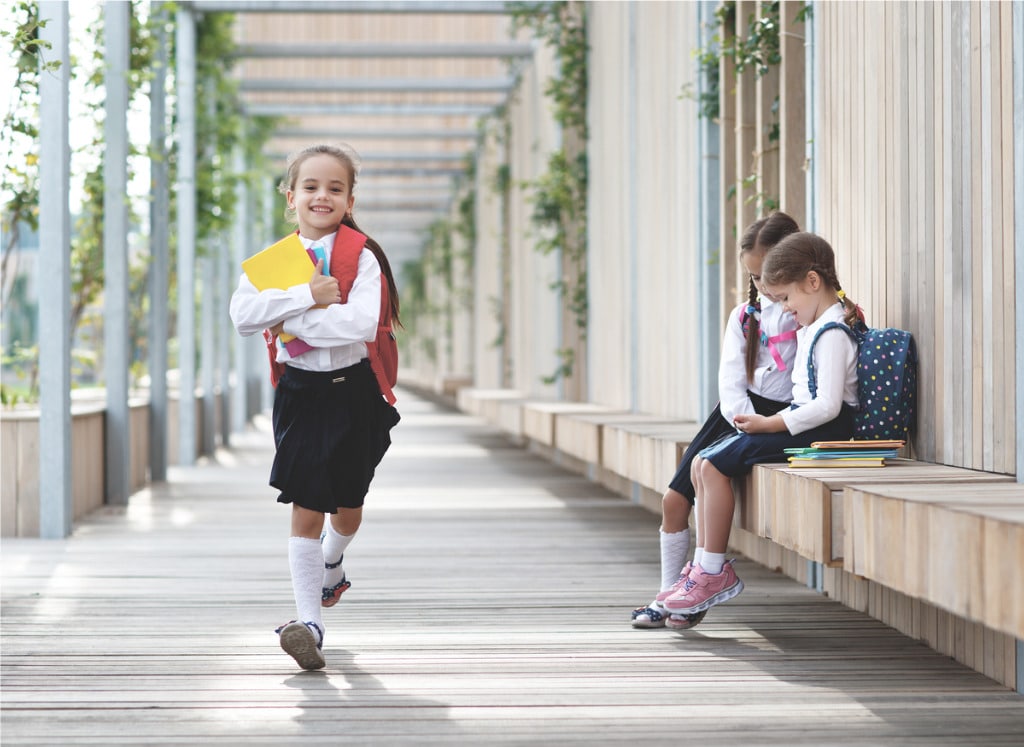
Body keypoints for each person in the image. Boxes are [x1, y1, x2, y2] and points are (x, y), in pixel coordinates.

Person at [229, 143, 401, 670]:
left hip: (355, 393)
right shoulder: (274, 263)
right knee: (306, 502)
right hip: (300, 391)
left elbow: (358, 324)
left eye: (334, 188)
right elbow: (243, 315)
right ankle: (310, 622)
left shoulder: (363, 256)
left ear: (350, 199)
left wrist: (284, 319)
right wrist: (307, 295)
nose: (321, 196)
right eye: (310, 186)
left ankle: (332, 565)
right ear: (291, 196)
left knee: (348, 502)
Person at [662, 231, 860, 618]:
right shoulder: (813, 328)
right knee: (703, 462)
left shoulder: (833, 332)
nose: (784, 309)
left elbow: (828, 407)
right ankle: (703, 567)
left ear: (813, 282)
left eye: (786, 298)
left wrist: (771, 424)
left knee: (714, 465)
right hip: (802, 424)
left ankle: (712, 571)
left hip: (824, 430)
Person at [631, 212, 800, 630]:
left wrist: (770, 423)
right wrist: (745, 420)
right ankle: (671, 595)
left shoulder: (805, 313)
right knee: (674, 500)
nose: (762, 285)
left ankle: (695, 591)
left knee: (712, 471)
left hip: (782, 417)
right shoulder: (745, 315)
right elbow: (730, 381)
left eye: (768, 274)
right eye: (755, 277)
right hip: (737, 413)